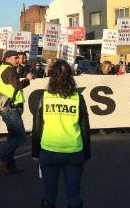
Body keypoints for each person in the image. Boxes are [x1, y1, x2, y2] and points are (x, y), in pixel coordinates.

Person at [32, 59, 91, 208]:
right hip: (74, 151)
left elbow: (37, 127)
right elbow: (84, 127)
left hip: (49, 150)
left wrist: (35, 152)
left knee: (49, 194)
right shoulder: (78, 98)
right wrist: (87, 152)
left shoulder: (44, 97)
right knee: (74, 194)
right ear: (70, 77)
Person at [0, 50, 34, 174]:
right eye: (15, 58)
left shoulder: (2, 69)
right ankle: (1, 157)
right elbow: (17, 85)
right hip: (10, 107)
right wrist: (27, 79)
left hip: (6, 106)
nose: (18, 60)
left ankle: (11, 165)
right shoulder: (9, 69)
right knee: (21, 137)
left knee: (12, 137)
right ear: (8, 59)